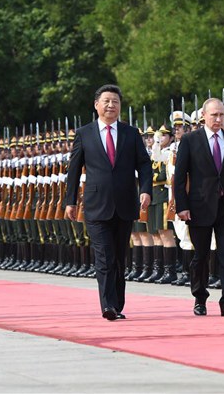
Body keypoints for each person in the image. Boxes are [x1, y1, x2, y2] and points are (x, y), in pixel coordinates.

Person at [65, 84, 152, 321]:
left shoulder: (130, 133)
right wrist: (70, 201)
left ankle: (117, 303)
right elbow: (73, 170)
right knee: (103, 256)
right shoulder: (84, 134)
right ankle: (108, 305)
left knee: (119, 258)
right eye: (106, 101)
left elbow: (144, 164)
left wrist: (145, 190)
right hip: (96, 204)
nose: (111, 105)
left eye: (115, 101)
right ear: (96, 105)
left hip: (124, 203)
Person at [174, 97, 224, 317]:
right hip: (199, 207)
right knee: (201, 255)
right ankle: (199, 298)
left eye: (222, 115)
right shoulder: (190, 140)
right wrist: (182, 206)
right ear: (203, 116)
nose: (218, 119)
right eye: (214, 115)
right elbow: (179, 177)